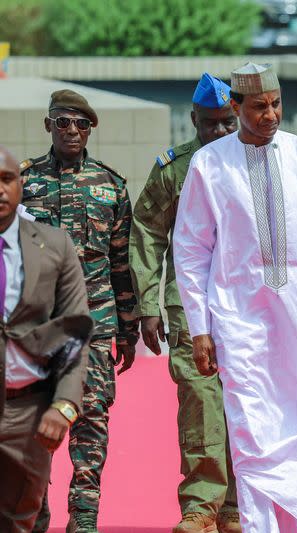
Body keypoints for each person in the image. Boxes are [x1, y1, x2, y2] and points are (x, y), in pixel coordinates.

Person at [173, 62, 297, 533]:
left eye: (276, 104)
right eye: (259, 106)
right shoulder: (210, 164)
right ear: (235, 107)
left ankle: (294, 523)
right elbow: (191, 252)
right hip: (236, 320)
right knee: (249, 431)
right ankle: (262, 526)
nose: (270, 114)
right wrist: (200, 328)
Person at [21, 89, 139, 532]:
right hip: (35, 327)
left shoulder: (111, 185)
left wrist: (127, 330)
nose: (73, 130)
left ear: (92, 129)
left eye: (82, 123)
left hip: (95, 325)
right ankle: (36, 511)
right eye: (64, 121)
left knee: (90, 421)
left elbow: (120, 263)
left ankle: (83, 518)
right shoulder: (22, 180)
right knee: (34, 420)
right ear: (47, 124)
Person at [129, 73, 241, 533]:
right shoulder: (174, 169)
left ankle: (237, 505)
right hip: (189, 307)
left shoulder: (255, 161)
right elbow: (147, 232)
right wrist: (148, 305)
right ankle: (202, 507)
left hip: (249, 305)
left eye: (226, 123)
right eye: (210, 124)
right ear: (193, 119)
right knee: (200, 403)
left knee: (247, 404)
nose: (218, 132)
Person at [0, 145, 94, 532]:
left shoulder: (54, 245)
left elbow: (74, 331)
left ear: (21, 184)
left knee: (19, 519)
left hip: (29, 412)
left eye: (6, 180)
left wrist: (64, 405)